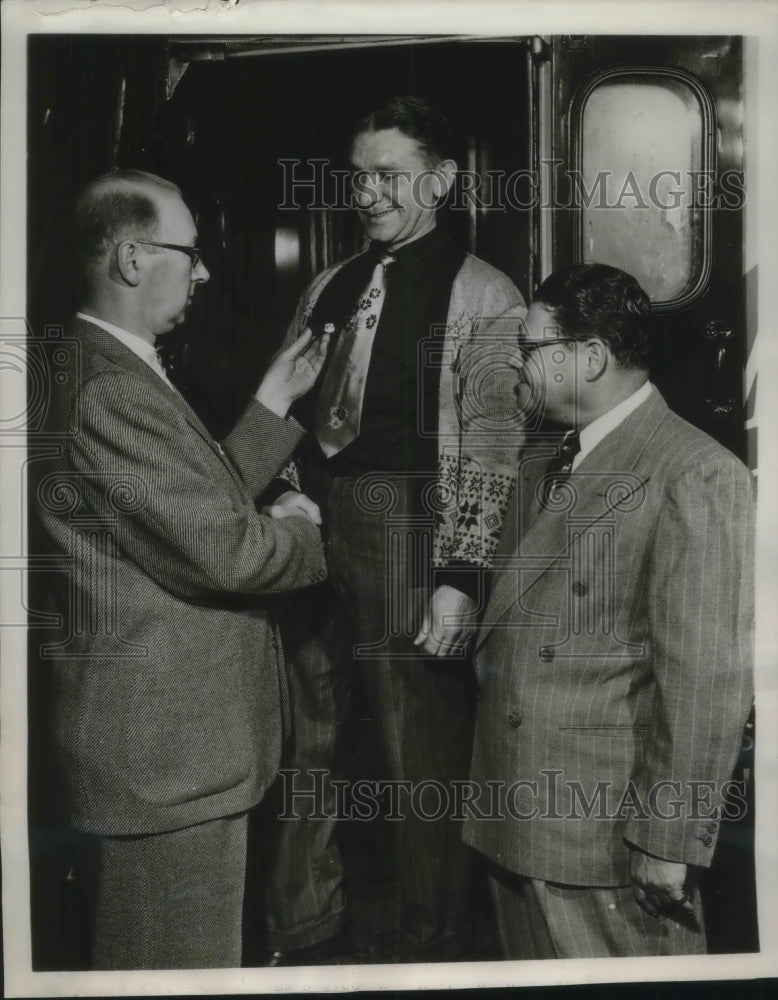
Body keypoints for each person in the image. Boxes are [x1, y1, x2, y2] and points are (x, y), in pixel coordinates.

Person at [34, 168, 331, 969]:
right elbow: (226, 552)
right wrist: (306, 531)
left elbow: (181, 503)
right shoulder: (109, 390)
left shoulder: (100, 363)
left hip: (172, 757)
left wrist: (270, 406)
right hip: (165, 767)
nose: (202, 273)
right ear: (132, 259)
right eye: (190, 253)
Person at [260, 96, 526, 964]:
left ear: (440, 182)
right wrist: (288, 495)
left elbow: (493, 449)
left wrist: (461, 576)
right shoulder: (329, 283)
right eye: (357, 176)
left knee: (421, 755)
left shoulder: (487, 295)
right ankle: (306, 930)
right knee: (306, 736)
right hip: (315, 522)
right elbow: (288, 407)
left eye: (387, 175)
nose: (366, 192)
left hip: (412, 527)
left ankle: (432, 947)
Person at [463, 263, 754, 958]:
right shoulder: (545, 459)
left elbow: (704, 681)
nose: (517, 367)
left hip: (605, 846)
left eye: (530, 348)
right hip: (514, 818)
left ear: (590, 357)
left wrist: (668, 839)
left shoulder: (695, 472)